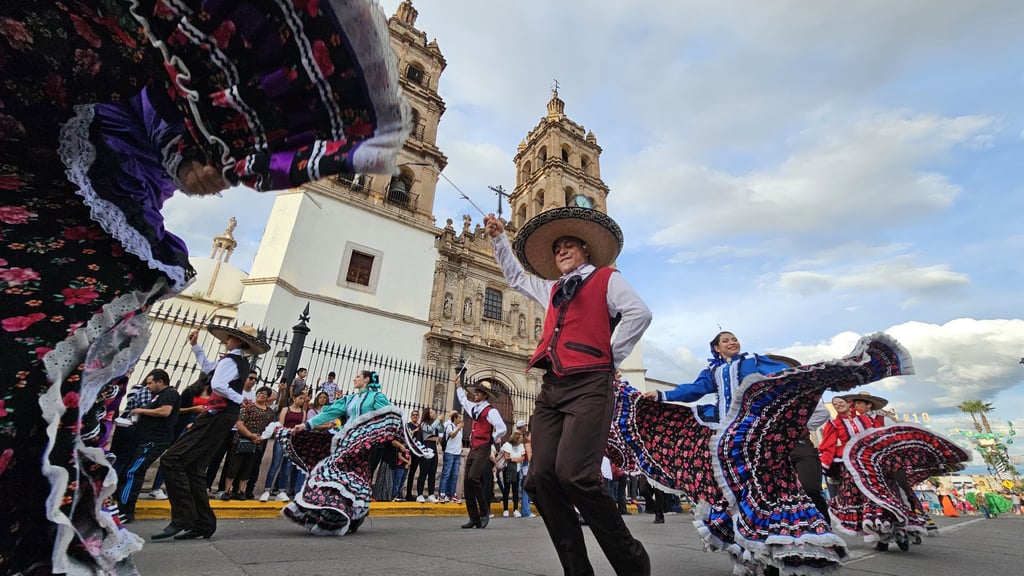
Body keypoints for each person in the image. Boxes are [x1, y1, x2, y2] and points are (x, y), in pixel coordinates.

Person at [0, 1, 411, 570]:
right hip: (198, 389)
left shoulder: (281, 379)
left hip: (215, 412)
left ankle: (194, 520)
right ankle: (193, 519)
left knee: (153, 456)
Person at [611, 331, 915, 575]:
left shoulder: (755, 361)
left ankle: (787, 541)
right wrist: (662, 395)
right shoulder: (712, 372)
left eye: (734, 339)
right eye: (725, 340)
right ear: (716, 348)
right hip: (727, 432)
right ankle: (747, 549)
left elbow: (783, 374)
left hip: (759, 431)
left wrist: (798, 384)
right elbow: (692, 390)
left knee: (767, 488)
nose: (732, 342)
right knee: (732, 491)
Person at [484, 208, 651, 575]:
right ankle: (577, 569)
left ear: (586, 250)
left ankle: (633, 561)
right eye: (557, 247)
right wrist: (498, 238)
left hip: (591, 384)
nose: (561, 251)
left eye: (569, 245)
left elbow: (639, 313)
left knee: (576, 475)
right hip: (553, 386)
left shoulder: (607, 279)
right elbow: (514, 277)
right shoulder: (552, 288)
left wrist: (610, 356)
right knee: (540, 477)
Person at [154, 325, 269, 541]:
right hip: (224, 415)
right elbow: (209, 368)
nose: (227, 339)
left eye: (231, 337)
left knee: (172, 459)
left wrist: (239, 399)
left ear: (238, 341)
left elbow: (218, 383)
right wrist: (196, 346)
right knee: (195, 468)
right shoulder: (237, 362)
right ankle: (204, 523)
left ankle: (183, 518)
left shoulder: (230, 361)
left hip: (218, 413)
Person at [279, 370, 429, 535]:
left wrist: (398, 437)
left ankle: (346, 512)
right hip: (344, 441)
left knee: (338, 471)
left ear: (366, 379)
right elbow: (330, 412)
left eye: (358, 376)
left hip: (362, 445)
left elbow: (389, 415)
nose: (354, 378)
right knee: (340, 475)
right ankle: (332, 511)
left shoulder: (376, 397)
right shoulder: (350, 399)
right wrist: (307, 425)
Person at [821, 392, 967, 552]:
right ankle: (882, 537)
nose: (837, 405)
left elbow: (886, 439)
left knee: (887, 497)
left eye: (840, 401)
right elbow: (828, 446)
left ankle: (900, 533)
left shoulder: (869, 420)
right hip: (852, 466)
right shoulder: (834, 424)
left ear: (849, 404)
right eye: (834, 404)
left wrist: (894, 458)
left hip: (877, 465)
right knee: (864, 499)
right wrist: (828, 466)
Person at [115, 369, 180, 524]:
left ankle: (125, 510)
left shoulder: (169, 394)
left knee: (133, 472)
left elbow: (165, 412)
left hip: (154, 440)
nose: (148, 385)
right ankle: (125, 507)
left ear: (160, 381)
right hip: (146, 439)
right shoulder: (156, 396)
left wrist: (141, 410)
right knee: (133, 471)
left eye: (151, 382)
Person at [455, 369, 507, 529]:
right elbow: (463, 401)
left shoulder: (491, 411)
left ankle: (484, 512)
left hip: (483, 447)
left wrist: (491, 438)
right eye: (476, 392)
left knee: (473, 478)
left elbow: (502, 428)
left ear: (485, 395)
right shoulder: (475, 408)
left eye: (478, 392)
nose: (475, 394)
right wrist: (458, 386)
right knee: (467, 482)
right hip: (473, 448)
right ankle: (474, 517)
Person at [219, 387, 276, 500]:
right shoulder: (248, 407)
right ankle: (227, 490)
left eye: (265, 394)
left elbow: (269, 428)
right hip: (241, 439)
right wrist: (250, 435)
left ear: (268, 397)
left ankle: (241, 491)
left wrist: (262, 438)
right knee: (234, 466)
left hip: (257, 442)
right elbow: (240, 424)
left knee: (248, 467)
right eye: (260, 393)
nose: (262, 395)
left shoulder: (270, 412)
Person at [261, 392, 310, 502]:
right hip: (282, 438)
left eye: (303, 399)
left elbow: (301, 426)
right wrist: (286, 430)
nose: (301, 401)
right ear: (294, 398)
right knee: (275, 464)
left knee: (287, 467)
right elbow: (281, 424)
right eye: (300, 398)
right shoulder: (285, 410)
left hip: (293, 441)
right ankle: (267, 490)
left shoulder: (303, 412)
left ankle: (281, 490)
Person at [439, 411, 465, 503]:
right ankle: (442, 494)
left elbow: (459, 439)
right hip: (449, 453)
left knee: (454, 475)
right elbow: (452, 436)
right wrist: (458, 428)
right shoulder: (450, 426)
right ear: (455, 418)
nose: (461, 419)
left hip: (457, 454)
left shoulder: (460, 428)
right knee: (446, 474)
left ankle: (452, 494)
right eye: (459, 417)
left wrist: (461, 448)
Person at [500, 432, 527, 517]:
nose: (521, 440)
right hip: (508, 470)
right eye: (520, 438)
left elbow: (522, 458)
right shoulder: (507, 445)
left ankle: (515, 509)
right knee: (507, 489)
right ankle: (505, 509)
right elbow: (506, 457)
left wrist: (514, 458)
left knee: (515, 490)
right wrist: (516, 459)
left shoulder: (521, 446)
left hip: (517, 470)